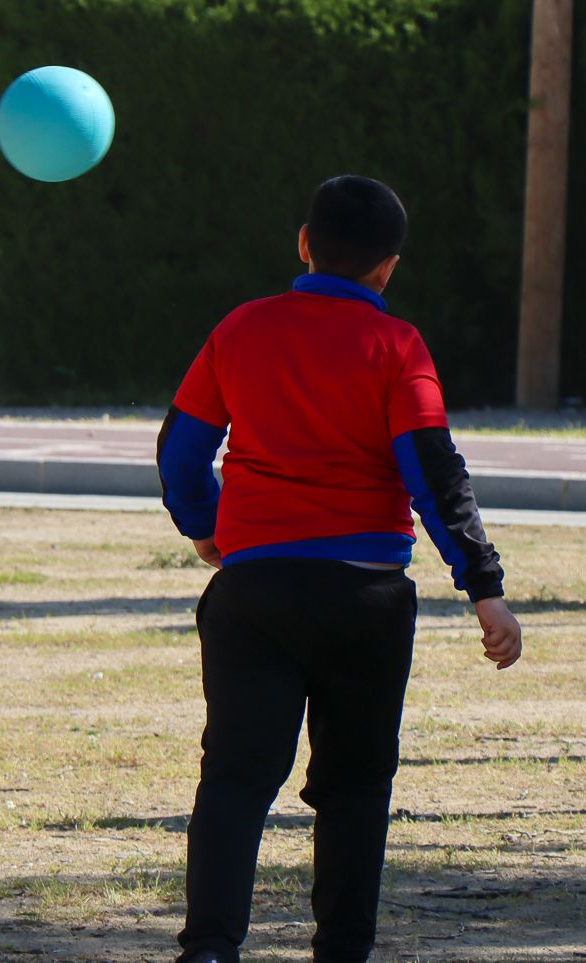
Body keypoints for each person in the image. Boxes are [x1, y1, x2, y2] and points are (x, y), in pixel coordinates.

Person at [156, 175, 524, 963]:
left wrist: (208, 530)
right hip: (365, 597)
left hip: (253, 591)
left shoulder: (241, 329)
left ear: (303, 243)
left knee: (236, 777)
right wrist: (483, 588)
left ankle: (211, 947)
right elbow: (433, 470)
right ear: (388, 267)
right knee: (355, 787)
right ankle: (342, 950)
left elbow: (180, 449)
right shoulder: (398, 347)